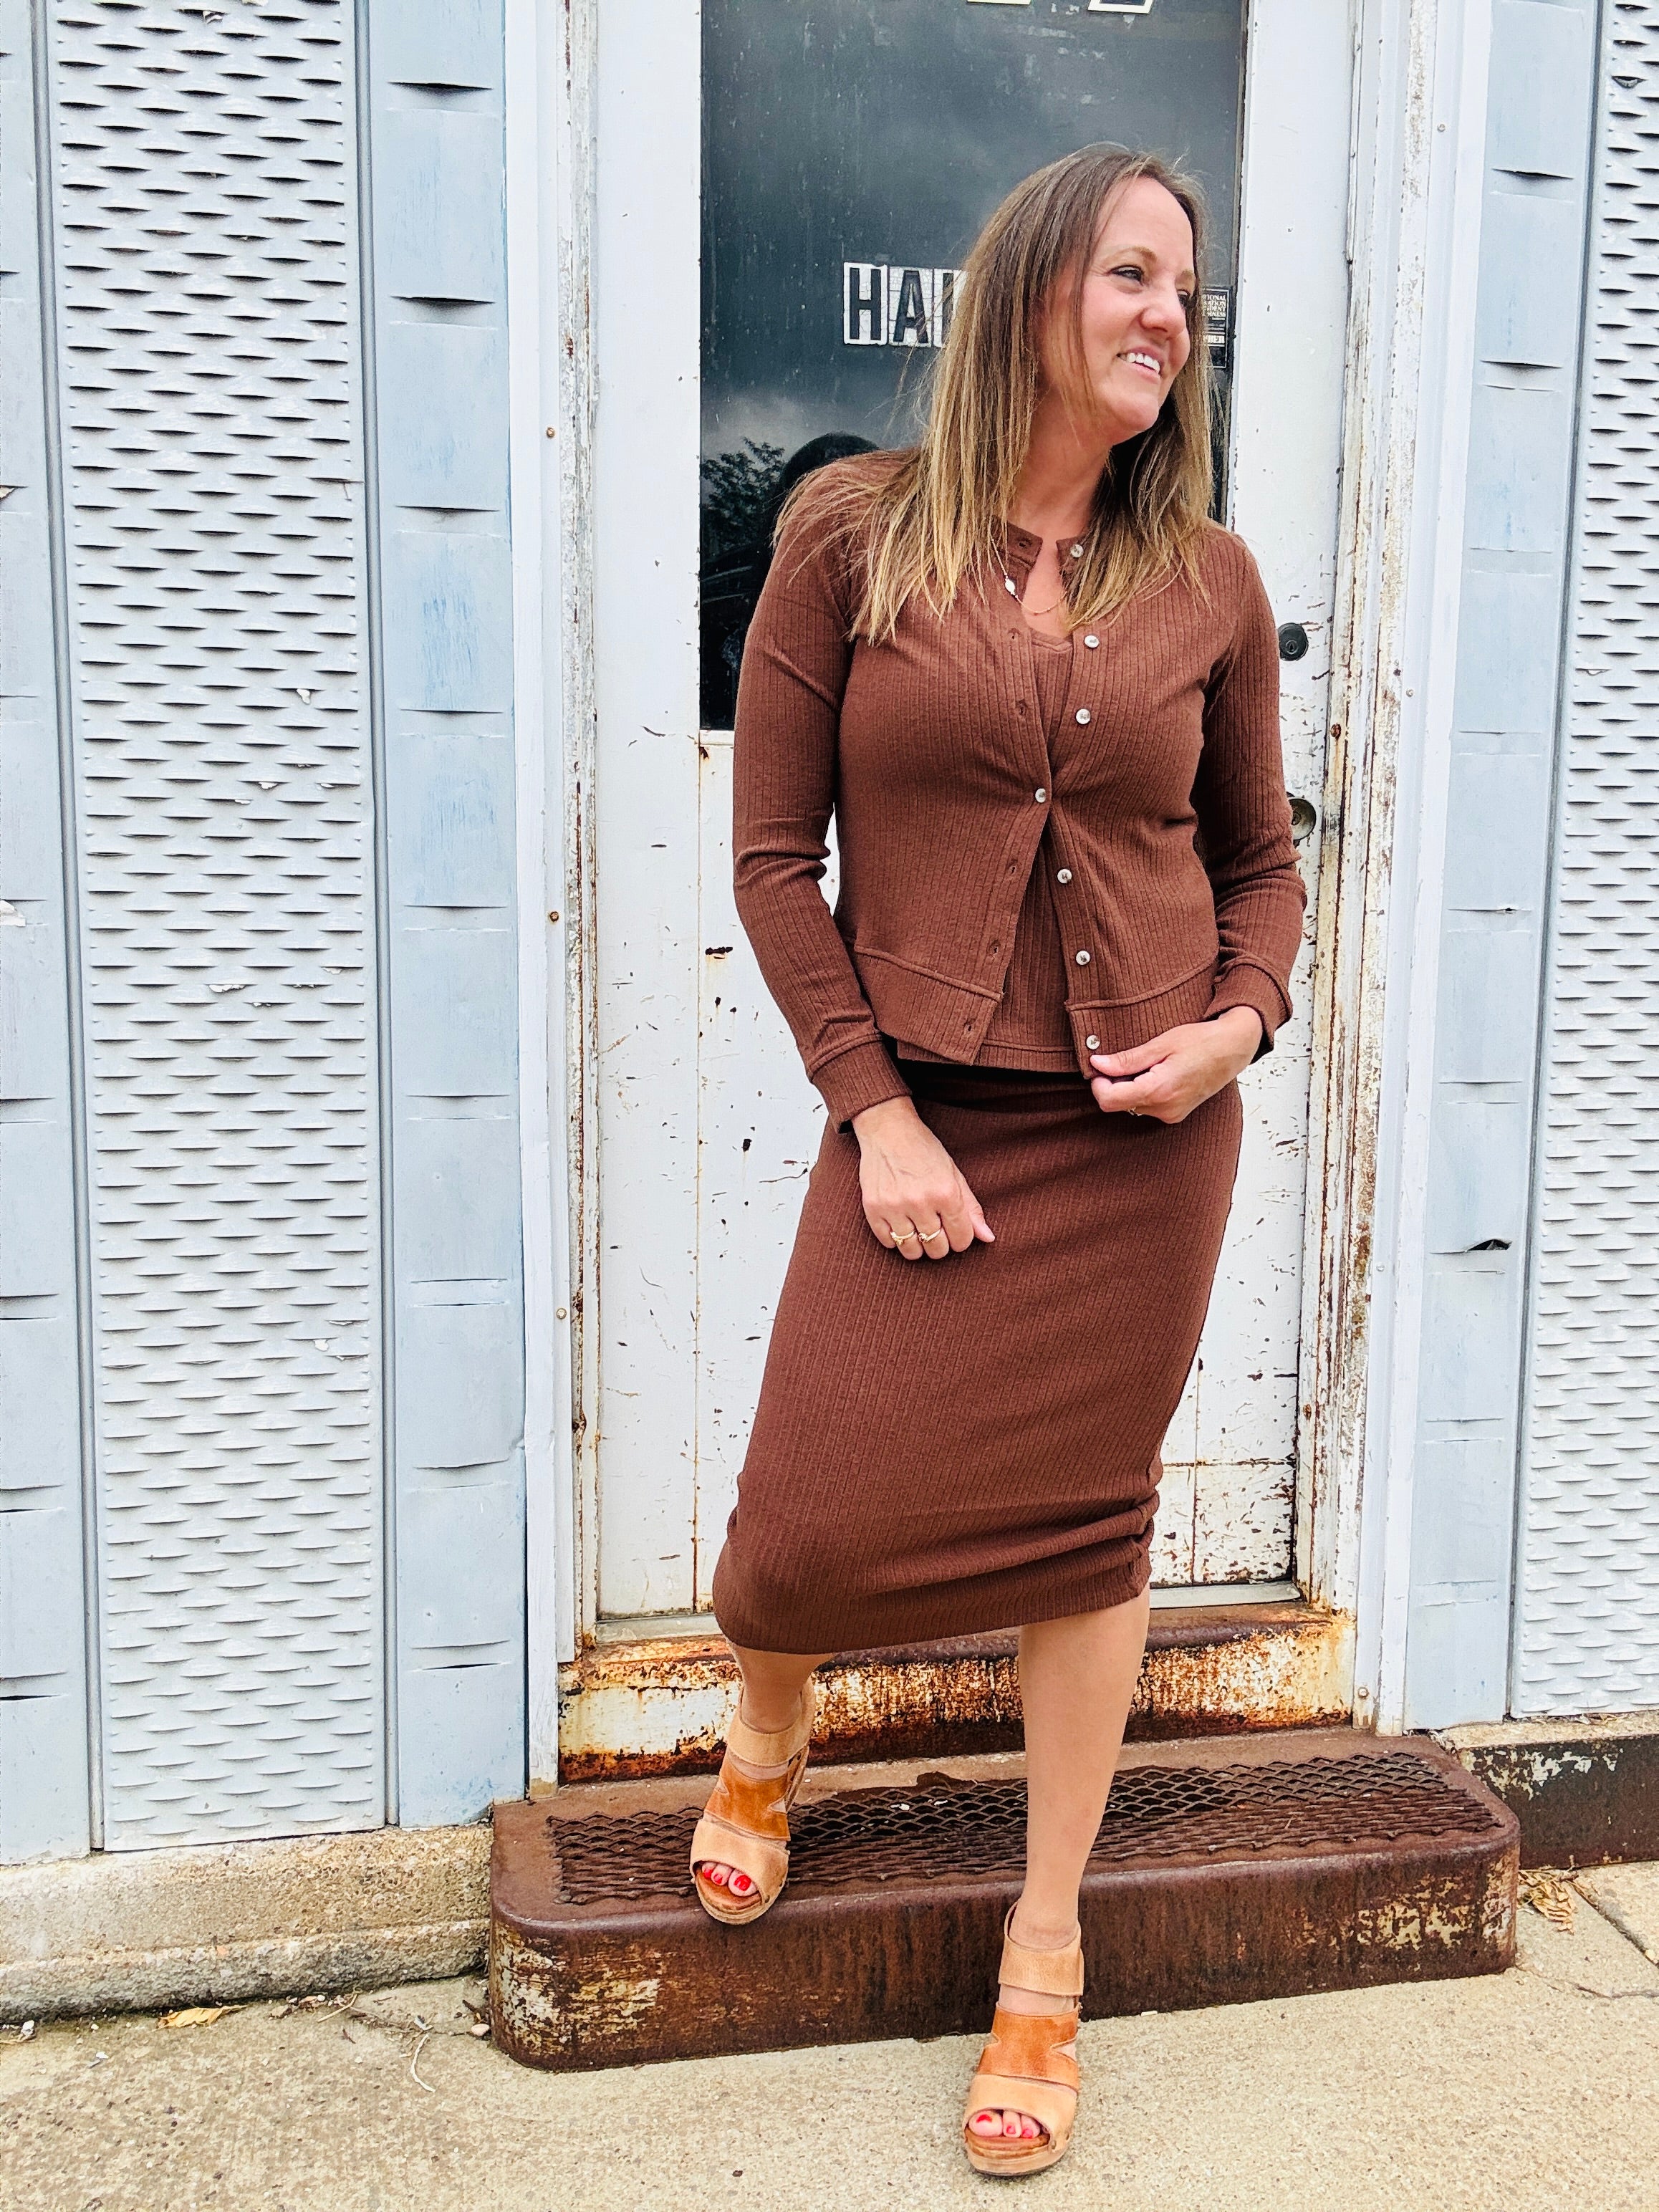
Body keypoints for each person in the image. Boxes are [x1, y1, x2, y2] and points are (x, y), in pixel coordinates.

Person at [688, 144, 1304, 2178]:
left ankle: (1045, 1945)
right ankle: (766, 1724)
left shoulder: (1207, 580)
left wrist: (1234, 1027)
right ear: (1033, 286)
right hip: (923, 1113)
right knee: (798, 1534)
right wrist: (876, 1114)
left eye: (1184, 292)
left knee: (1085, 1536)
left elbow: (1259, 866)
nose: (1165, 318)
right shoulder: (851, 537)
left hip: (1143, 1143)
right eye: (1131, 274)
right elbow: (771, 862)